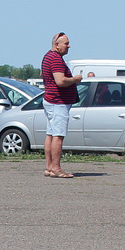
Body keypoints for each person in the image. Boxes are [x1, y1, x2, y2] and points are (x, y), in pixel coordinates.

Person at [41, 32, 83, 178]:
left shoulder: (48, 57)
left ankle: (49, 167)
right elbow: (60, 81)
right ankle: (56, 168)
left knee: (51, 134)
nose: (69, 46)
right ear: (57, 45)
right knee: (58, 136)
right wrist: (75, 79)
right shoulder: (56, 59)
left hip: (51, 100)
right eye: (66, 43)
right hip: (58, 102)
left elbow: (43, 74)